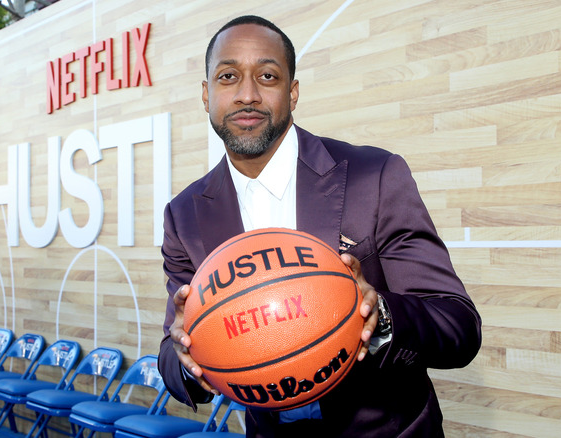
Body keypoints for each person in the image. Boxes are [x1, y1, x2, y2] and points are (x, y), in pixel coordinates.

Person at [157, 15, 482, 437]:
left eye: (268, 76)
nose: (247, 94)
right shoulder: (184, 215)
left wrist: (377, 314)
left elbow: (457, 327)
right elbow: (170, 349)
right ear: (206, 94)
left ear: (292, 92)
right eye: (228, 76)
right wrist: (185, 357)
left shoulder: (374, 176)